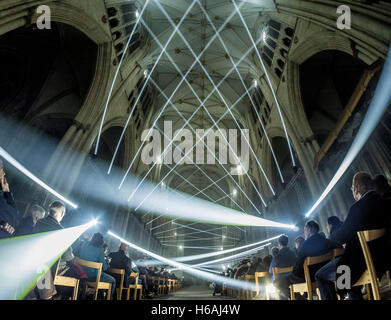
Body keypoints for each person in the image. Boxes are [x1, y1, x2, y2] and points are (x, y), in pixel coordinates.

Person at [315, 172, 391, 300]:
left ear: (355, 190)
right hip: (384, 257)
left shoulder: (358, 207)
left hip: (364, 262)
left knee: (321, 275)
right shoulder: (385, 202)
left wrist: (333, 236)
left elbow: (341, 237)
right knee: (349, 263)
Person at [274, 221, 340, 299]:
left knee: (278, 282)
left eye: (305, 230)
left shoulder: (304, 246)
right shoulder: (327, 242)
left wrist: (293, 274)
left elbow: (298, 268)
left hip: (308, 277)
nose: (304, 233)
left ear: (308, 230)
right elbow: (340, 249)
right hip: (325, 274)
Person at [33, 201, 75, 299]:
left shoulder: (38, 223)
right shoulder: (60, 230)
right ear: (62, 214)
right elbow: (68, 257)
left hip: (34, 266)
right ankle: (55, 294)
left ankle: (53, 294)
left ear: (49, 211)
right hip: (49, 270)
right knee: (75, 278)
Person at [78, 232, 116, 299]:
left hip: (82, 274)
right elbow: (104, 268)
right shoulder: (100, 250)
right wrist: (107, 261)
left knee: (103, 280)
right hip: (93, 277)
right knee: (113, 281)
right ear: (101, 241)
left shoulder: (84, 244)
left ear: (92, 238)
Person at [0, 159, 18, 238]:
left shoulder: (3, 195)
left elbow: (14, 215)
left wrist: (7, 193)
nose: (4, 173)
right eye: (1, 169)